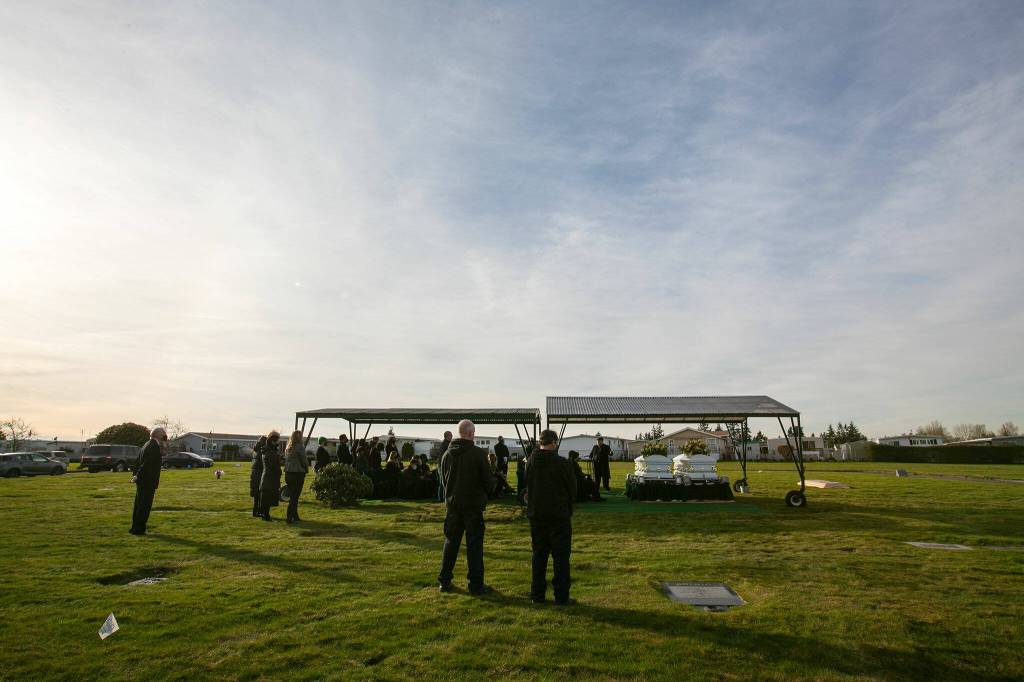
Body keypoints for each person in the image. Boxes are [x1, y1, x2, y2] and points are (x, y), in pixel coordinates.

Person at [437, 419, 494, 596]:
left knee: (451, 543)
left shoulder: (447, 455)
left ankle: (444, 581)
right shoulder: (478, 454)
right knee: (474, 546)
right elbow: (488, 482)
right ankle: (475, 585)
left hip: (453, 506)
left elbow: (444, 480)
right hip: (473, 506)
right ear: (471, 433)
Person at [525, 429, 577, 605]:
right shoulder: (563, 464)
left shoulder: (531, 462)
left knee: (538, 555)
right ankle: (561, 596)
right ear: (554, 442)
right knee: (561, 557)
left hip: (537, 515)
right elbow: (573, 490)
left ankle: (537, 594)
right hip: (558, 515)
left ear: (541, 442)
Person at [129, 426, 167, 535]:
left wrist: (135, 475)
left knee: (139, 505)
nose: (165, 438)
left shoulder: (146, 444)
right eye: (163, 435)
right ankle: (139, 529)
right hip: (148, 482)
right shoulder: (154, 446)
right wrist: (137, 476)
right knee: (144, 506)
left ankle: (135, 528)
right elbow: (147, 464)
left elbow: (138, 461)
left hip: (142, 481)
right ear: (159, 435)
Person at [284, 430, 309, 524]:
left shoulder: (288, 447)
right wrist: (306, 469)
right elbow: (304, 460)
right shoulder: (300, 447)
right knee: (295, 497)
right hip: (297, 473)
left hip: (288, 473)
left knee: (293, 496)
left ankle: (295, 516)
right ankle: (289, 517)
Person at [259, 431, 282, 521]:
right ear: (273, 441)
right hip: (270, 477)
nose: (279, 442)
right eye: (278, 440)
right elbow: (273, 465)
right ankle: (265, 515)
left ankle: (265, 514)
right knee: (267, 498)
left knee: (266, 497)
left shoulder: (268, 450)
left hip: (268, 477)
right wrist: (279, 471)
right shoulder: (270, 451)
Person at [249, 435, 267, 517]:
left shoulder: (255, 451)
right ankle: (259, 512)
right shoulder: (262, 451)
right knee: (260, 495)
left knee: (256, 496)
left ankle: (255, 512)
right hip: (259, 473)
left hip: (254, 474)